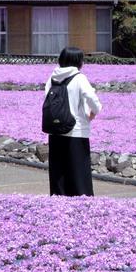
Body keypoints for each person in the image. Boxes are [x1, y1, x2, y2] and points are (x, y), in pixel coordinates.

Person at [45, 47, 102, 197]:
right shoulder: (79, 78)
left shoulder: (52, 77)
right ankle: (81, 204)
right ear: (78, 61)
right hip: (76, 130)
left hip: (55, 130)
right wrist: (94, 112)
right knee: (78, 172)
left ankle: (58, 201)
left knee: (59, 172)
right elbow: (92, 99)